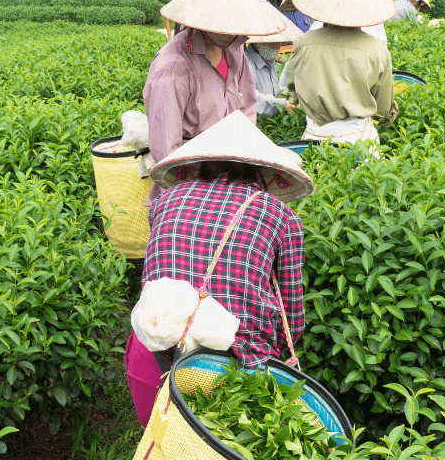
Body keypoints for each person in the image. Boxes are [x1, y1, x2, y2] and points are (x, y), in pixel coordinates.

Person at [125, 111, 314, 426]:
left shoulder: (165, 201)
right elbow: (291, 320)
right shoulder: (281, 215)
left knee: (160, 451)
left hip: (154, 353)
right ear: (262, 170)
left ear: (199, 164)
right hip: (235, 368)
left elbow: (161, 270)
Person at [143, 0, 294, 205]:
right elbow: (166, 149)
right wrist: (206, 189)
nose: (235, 32)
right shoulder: (173, 68)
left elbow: (247, 108)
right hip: (187, 188)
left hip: (231, 179)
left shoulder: (234, 51)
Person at [285, 0, 399, 145]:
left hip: (313, 135)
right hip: (356, 138)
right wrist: (389, 117)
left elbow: (292, 85)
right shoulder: (377, 50)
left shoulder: (302, 43)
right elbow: (383, 104)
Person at [244, 18, 303, 118]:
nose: (277, 46)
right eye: (272, 42)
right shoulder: (247, 64)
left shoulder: (268, 60)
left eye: (279, 42)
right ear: (258, 41)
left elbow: (275, 92)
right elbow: (252, 98)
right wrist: (283, 104)